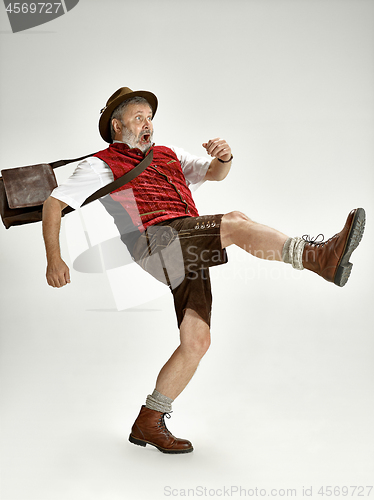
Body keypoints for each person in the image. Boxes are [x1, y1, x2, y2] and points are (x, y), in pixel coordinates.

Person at [42, 87, 366, 454]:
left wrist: (225, 157)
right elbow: (54, 205)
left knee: (197, 341)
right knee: (236, 222)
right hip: (155, 242)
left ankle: (149, 420)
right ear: (117, 125)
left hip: (186, 240)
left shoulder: (167, 154)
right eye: (138, 118)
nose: (147, 124)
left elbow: (213, 173)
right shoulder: (100, 164)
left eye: (149, 118)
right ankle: (317, 257)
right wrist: (55, 258)